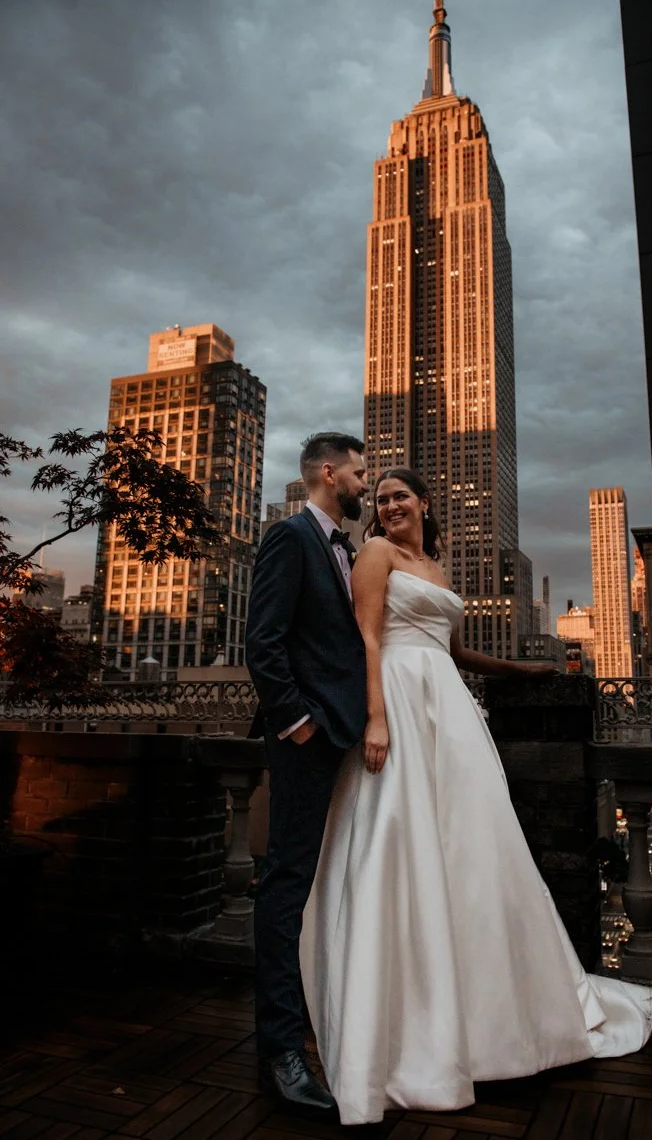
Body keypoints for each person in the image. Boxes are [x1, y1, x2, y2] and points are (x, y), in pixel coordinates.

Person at [300, 468, 652, 1126]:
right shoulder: (375, 554)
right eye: (380, 499)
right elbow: (367, 638)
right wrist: (376, 719)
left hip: (452, 714)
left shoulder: (434, 567)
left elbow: (454, 650)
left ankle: (489, 1014)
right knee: (396, 840)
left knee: (471, 851)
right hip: (399, 703)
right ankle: (404, 1023)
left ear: (425, 503)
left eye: (400, 495)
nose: (389, 505)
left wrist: (517, 669)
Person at [245, 432, 369, 1120]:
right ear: (328, 473)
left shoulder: (342, 547)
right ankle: (281, 1052)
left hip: (344, 736)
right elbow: (262, 641)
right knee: (286, 886)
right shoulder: (291, 537)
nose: (362, 483)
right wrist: (297, 722)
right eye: (358, 473)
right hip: (307, 740)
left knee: (325, 882)